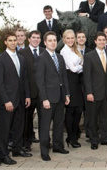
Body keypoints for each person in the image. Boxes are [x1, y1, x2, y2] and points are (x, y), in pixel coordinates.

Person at [0, 32, 32, 165]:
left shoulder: (21, 58)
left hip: (21, 99)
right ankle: (3, 155)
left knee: (19, 126)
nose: (12, 42)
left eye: (15, 40)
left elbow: (25, 79)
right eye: (10, 40)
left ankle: (17, 149)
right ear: (5, 42)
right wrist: (6, 100)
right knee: (5, 129)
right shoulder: (0, 59)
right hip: (8, 101)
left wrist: (27, 95)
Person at [35, 31, 70, 161]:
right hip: (48, 99)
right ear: (45, 42)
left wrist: (67, 94)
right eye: (50, 40)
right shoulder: (41, 58)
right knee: (45, 125)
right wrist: (44, 99)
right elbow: (40, 81)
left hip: (60, 97)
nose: (53, 42)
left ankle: (58, 146)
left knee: (59, 124)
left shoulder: (60, 57)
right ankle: (44, 151)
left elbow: (64, 77)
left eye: (54, 40)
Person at [83, 32, 107, 150]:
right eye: (100, 40)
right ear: (95, 41)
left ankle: (105, 139)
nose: (102, 41)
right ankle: (94, 140)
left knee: (105, 117)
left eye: (104, 40)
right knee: (92, 118)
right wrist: (89, 92)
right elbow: (86, 77)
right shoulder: (88, 56)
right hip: (94, 93)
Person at [18, 30, 44, 152]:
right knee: (27, 120)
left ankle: (45, 142)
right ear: (29, 39)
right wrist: (26, 94)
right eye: (33, 37)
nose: (36, 40)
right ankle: (26, 143)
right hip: (29, 93)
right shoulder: (22, 53)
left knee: (44, 120)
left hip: (43, 93)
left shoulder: (45, 52)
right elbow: (22, 75)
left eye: (38, 38)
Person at [60, 30, 84, 149]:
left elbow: (77, 69)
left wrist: (78, 66)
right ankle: (71, 137)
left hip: (77, 82)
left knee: (78, 111)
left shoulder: (74, 49)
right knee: (70, 111)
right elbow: (74, 69)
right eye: (67, 38)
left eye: (72, 38)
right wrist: (80, 65)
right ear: (64, 39)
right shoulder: (64, 51)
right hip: (69, 81)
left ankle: (73, 135)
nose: (70, 40)